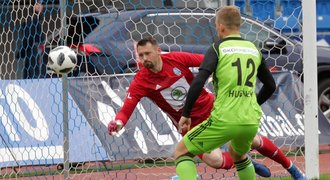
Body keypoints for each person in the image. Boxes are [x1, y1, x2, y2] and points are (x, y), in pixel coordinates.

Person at [108, 37, 305, 179]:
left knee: (252, 140)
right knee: (216, 162)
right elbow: (127, 108)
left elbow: (208, 60)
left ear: (158, 51)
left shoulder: (176, 59)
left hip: (213, 110)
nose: (144, 59)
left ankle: (293, 170)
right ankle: (245, 162)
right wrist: (118, 122)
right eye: (140, 55)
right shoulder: (141, 81)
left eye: (147, 53)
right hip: (188, 124)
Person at [173, 6, 306, 180]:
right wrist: (252, 105)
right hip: (250, 120)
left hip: (224, 119)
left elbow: (199, 81)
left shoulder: (218, 48)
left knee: (182, 152)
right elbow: (270, 85)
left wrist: (186, 113)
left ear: (220, 26)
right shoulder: (253, 49)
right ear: (239, 25)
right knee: (238, 156)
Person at [16, 1, 44, 79]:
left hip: (35, 49)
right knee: (32, 70)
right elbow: (28, 37)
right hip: (32, 49)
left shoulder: (38, 19)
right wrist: (22, 51)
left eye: (41, 4)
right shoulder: (32, 20)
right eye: (38, 4)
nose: (40, 6)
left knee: (33, 70)